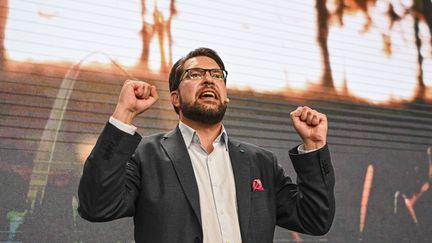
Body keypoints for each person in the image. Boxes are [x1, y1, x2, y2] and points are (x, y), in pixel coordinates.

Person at [78, 47, 335, 243]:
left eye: (216, 75)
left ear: (226, 96)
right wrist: (124, 114)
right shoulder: (145, 155)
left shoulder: (261, 162)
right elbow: (96, 206)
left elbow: (314, 219)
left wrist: (313, 145)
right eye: (195, 74)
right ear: (175, 98)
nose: (209, 80)